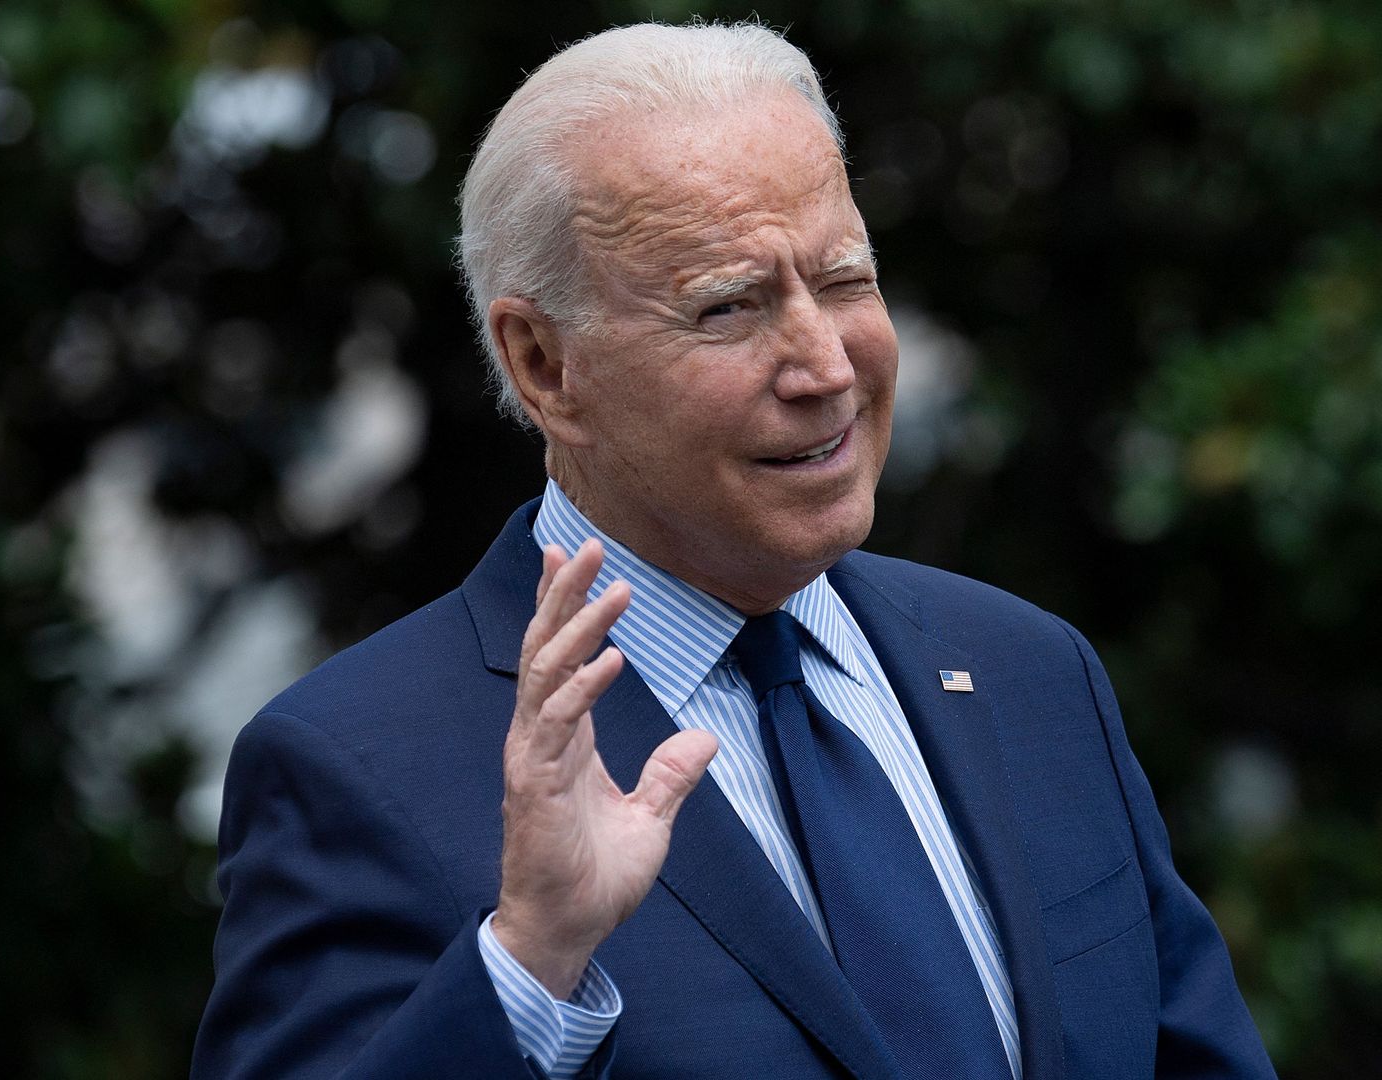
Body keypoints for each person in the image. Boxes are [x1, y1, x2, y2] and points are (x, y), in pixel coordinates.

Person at [191, 21, 1276, 1080]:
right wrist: (529, 967)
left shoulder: (1029, 672)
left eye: (846, 280)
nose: (826, 368)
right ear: (543, 366)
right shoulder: (359, 766)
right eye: (729, 308)